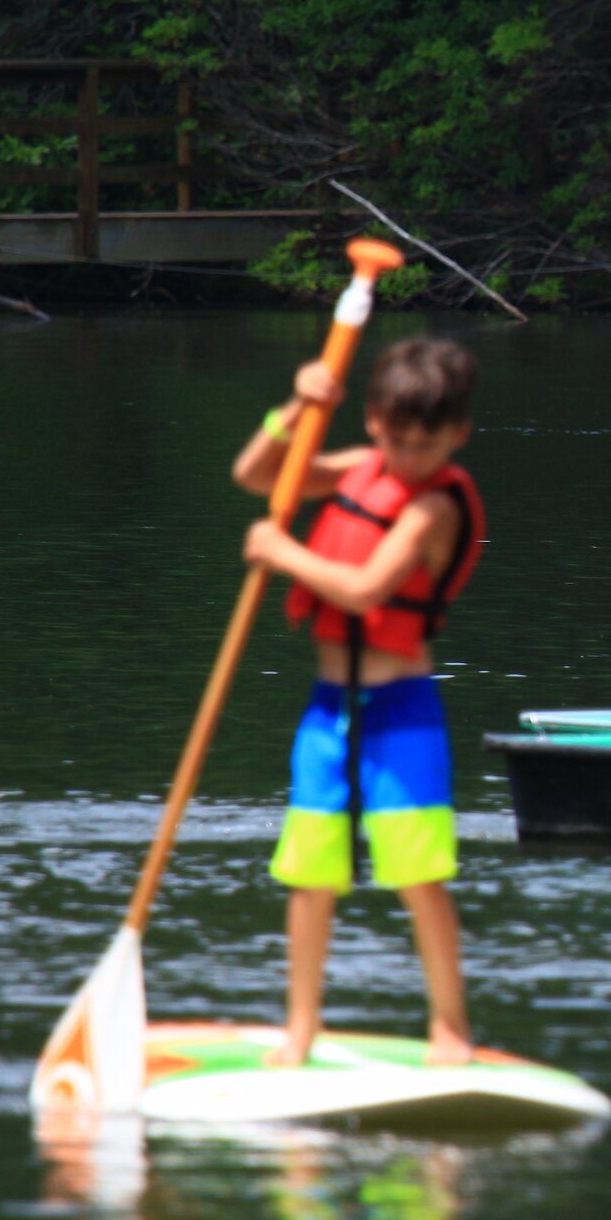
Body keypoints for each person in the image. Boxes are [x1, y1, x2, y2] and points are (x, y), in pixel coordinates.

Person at [233, 338, 485, 1068]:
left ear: (458, 435)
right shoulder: (360, 466)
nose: (409, 458)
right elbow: (255, 474)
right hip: (328, 713)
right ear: (375, 421)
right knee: (310, 875)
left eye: (427, 445)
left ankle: (449, 1028)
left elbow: (366, 588)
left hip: (403, 714)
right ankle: (300, 1030)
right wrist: (297, 407)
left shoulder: (433, 508)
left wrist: (279, 552)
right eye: (397, 441)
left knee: (418, 875)